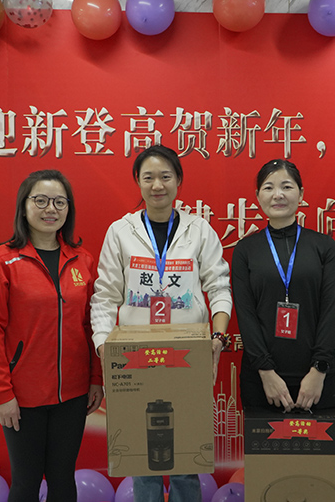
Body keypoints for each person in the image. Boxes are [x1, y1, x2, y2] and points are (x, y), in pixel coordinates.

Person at [90, 144, 232, 502]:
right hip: (135, 358)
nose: (157, 185)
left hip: (187, 356)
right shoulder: (120, 232)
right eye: (148, 177)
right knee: (143, 456)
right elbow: (105, 296)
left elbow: (219, 286)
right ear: (138, 182)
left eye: (166, 176)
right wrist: (105, 347)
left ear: (178, 181)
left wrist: (217, 337)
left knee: (185, 453)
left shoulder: (199, 230)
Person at [0, 169, 104, 502]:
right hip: (23, 397)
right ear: (24, 206)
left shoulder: (82, 260)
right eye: (41, 200)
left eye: (60, 202)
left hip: (73, 394)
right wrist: (2, 394)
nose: (51, 209)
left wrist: (96, 379)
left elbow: (91, 325)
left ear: (68, 209)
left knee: (63, 479)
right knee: (26, 483)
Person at [233, 159, 335, 413]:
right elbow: (245, 316)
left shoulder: (324, 246)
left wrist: (319, 369)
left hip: (316, 380)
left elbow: (330, 311)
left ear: (301, 194)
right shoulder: (245, 250)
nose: (278, 195)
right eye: (269, 187)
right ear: (258, 196)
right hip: (262, 380)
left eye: (286, 186)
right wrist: (265, 371)